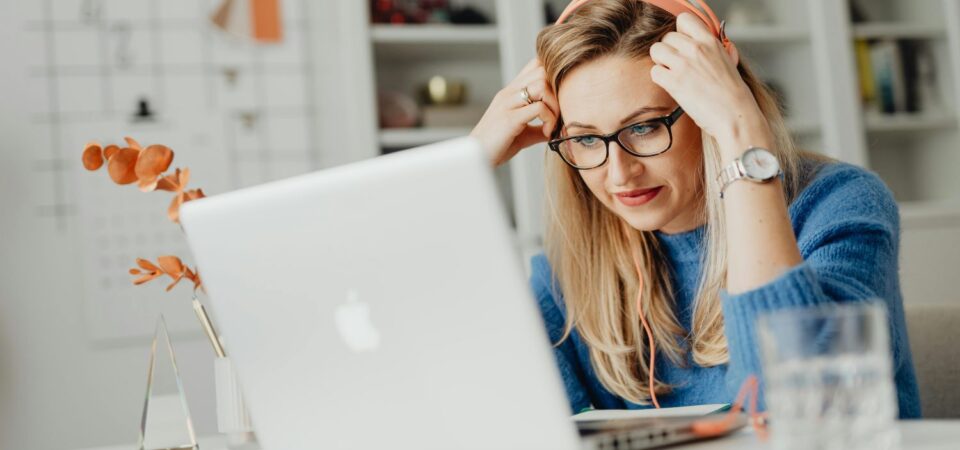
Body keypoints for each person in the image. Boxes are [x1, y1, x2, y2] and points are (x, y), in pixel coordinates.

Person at [469, 0, 921, 418]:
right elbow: (505, 422)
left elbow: (806, 416)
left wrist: (742, 134)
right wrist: (465, 173)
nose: (619, 172)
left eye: (644, 127)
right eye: (587, 139)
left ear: (712, 106)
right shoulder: (566, 275)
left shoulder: (839, 205)